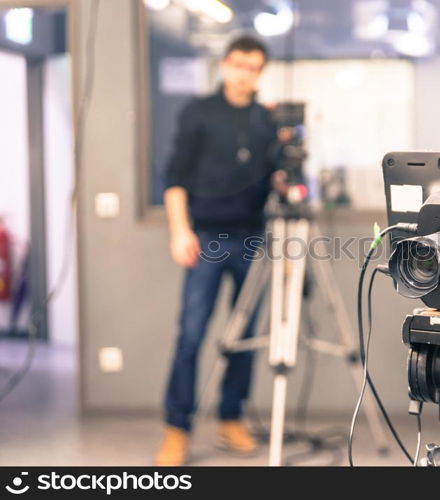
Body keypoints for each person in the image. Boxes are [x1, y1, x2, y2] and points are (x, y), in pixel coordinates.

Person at [156, 36, 285, 466]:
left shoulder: (267, 121)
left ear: (260, 72)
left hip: (252, 239)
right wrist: (180, 231)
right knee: (191, 336)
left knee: (244, 337)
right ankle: (177, 427)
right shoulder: (199, 113)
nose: (243, 73)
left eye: (253, 67)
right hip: (206, 237)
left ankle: (231, 418)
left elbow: (276, 182)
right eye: (237, 64)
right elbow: (174, 177)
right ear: (225, 65)